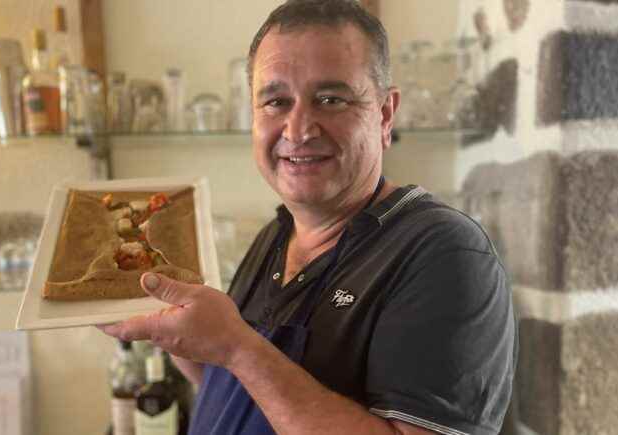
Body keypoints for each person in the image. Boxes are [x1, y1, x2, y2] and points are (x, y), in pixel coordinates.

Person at [99, 1, 517, 434]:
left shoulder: (444, 253)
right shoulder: (274, 236)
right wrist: (165, 323)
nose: (298, 129)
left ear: (385, 115)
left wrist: (239, 348)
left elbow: (244, 360)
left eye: (331, 99)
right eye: (276, 101)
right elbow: (233, 390)